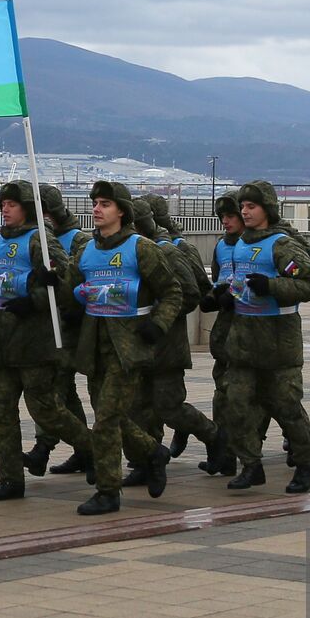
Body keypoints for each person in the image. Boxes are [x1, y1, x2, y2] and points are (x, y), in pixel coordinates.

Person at [0, 181, 86, 502]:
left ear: (27, 207)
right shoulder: (0, 241)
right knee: (2, 414)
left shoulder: (40, 240)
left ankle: (96, 449)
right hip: (4, 342)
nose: (5, 209)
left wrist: (35, 299)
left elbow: (67, 280)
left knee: (48, 412)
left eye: (12, 204)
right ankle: (11, 479)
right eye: (3, 203)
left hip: (34, 342)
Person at [65, 181, 182, 514]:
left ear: (122, 211)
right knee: (111, 416)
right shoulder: (86, 249)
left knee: (104, 422)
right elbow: (71, 289)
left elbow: (173, 291)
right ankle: (154, 453)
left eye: (105, 203)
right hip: (94, 346)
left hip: (128, 347)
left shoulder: (140, 248)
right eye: (95, 203)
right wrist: (56, 283)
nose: (97, 209)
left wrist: (157, 325)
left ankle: (108, 491)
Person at [222, 180, 310, 493]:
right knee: (236, 404)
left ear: (267, 208)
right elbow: (240, 283)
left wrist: (273, 287)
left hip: (279, 339)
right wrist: (227, 296)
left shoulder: (282, 244)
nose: (245, 212)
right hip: (244, 339)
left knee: (286, 406)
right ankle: (251, 465)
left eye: (251, 206)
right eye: (243, 206)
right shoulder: (240, 242)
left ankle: (307, 463)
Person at [124, 198, 218, 481]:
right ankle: (145, 462)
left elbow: (190, 293)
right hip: (136, 343)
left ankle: (214, 437)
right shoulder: (130, 250)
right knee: (138, 407)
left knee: (169, 407)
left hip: (166, 344)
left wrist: (159, 315)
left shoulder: (168, 251)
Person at [31, 183, 94, 477]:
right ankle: (84, 450)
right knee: (64, 393)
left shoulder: (78, 240)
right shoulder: (39, 238)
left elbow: (80, 281)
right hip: (45, 325)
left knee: (54, 389)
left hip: (69, 325)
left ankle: (44, 447)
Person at [193, 191, 246, 476]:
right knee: (222, 395)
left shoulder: (258, 244)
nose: (226, 222)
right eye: (223, 217)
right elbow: (220, 279)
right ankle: (224, 454)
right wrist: (213, 297)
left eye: (231, 216)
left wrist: (234, 295)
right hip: (226, 330)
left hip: (252, 329)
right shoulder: (221, 246)